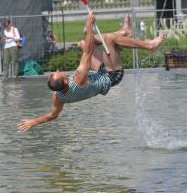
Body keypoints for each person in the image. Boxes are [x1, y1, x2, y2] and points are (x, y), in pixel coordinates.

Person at [18, 13, 166, 131]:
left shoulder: (58, 97)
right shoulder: (79, 78)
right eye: (58, 73)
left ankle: (124, 32)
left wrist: (34, 121)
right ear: (64, 81)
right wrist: (89, 25)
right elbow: (88, 52)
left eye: (53, 73)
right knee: (108, 39)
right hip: (113, 75)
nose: (57, 70)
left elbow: (52, 115)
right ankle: (149, 45)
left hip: (100, 74)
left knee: (83, 43)